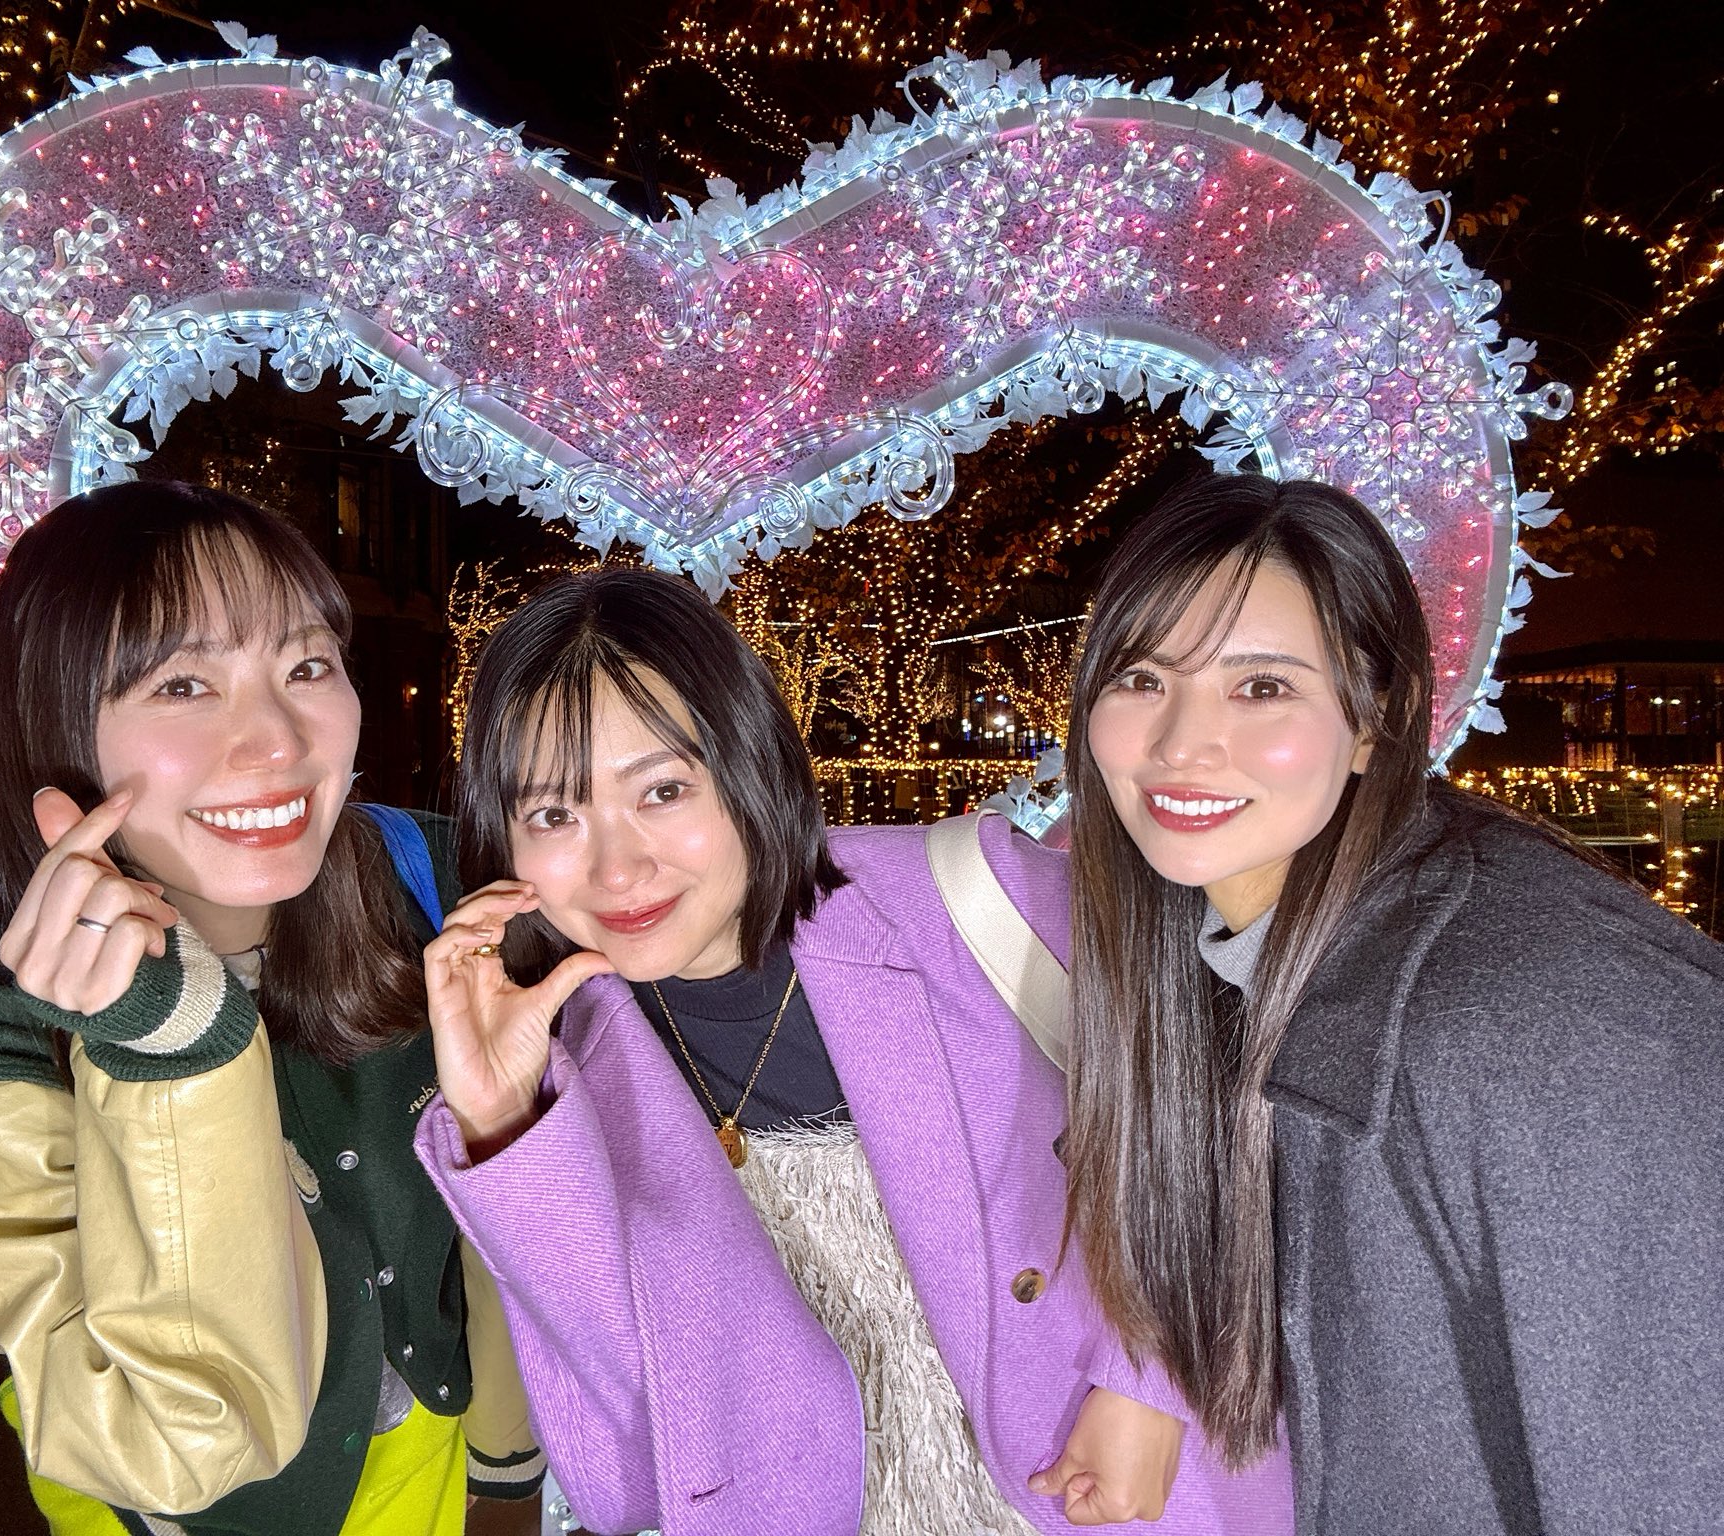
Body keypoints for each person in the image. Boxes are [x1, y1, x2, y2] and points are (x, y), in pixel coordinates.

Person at [409, 566, 1293, 1535]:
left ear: (749, 766)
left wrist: (1149, 1377)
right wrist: (505, 1127)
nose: (616, 868)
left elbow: (1236, 1093)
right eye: (553, 816)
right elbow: (627, 1473)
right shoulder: (569, 1071)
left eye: (662, 790)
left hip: (1106, 1496)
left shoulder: (975, 904)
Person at [0, 481, 543, 1536]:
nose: (276, 740)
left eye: (307, 667)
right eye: (181, 684)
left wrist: (507, 1470)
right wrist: (171, 1050)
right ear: (54, 722)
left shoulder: (436, 882)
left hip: (450, 1475)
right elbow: (173, 1447)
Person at [1058, 472, 1724, 1534]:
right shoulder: (1235, 963)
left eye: (1259, 687)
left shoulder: (1547, 1029)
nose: (1180, 742)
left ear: (1378, 719)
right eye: (1141, 677)